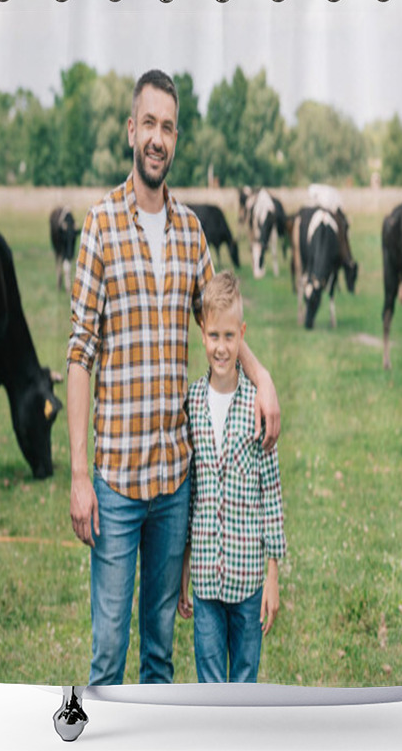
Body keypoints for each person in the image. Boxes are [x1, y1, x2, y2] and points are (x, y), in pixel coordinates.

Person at [67, 69, 280, 686]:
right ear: (131, 131)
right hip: (115, 482)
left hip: (172, 482)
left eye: (168, 127)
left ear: (175, 138)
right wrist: (80, 474)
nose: (157, 139)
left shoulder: (190, 233)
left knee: (159, 652)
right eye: (149, 125)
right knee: (108, 652)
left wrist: (260, 375)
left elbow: (220, 324)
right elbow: (79, 354)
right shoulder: (101, 225)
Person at [177, 271, 286, 683]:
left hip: (248, 578)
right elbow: (189, 497)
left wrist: (272, 576)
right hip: (205, 576)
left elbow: (271, 495)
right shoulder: (192, 403)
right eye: (213, 336)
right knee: (209, 683)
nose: (221, 347)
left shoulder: (258, 406)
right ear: (202, 334)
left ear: (242, 335)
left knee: (244, 682)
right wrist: (185, 565)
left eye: (229, 336)